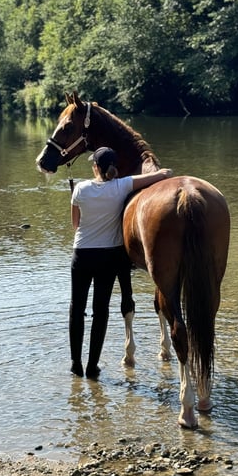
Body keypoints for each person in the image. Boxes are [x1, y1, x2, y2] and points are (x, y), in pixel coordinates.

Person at [69, 146, 173, 379]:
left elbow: (75, 224)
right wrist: (164, 173)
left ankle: (76, 364)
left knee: (77, 309)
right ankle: (92, 367)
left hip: (82, 255)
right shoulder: (121, 186)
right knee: (101, 311)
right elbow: (154, 176)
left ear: (95, 167)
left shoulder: (80, 189)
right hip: (108, 257)